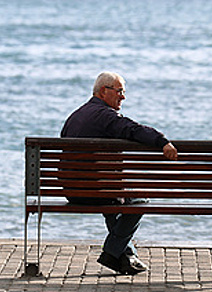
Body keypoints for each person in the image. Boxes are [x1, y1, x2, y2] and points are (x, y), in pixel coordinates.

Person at [60, 71, 178, 275]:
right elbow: (133, 129)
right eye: (120, 91)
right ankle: (112, 252)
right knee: (140, 200)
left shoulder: (76, 116)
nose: (123, 97)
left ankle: (126, 257)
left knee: (115, 201)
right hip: (96, 191)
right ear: (104, 92)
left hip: (72, 190)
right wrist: (162, 142)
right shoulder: (105, 116)